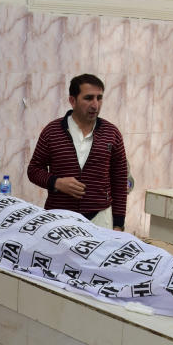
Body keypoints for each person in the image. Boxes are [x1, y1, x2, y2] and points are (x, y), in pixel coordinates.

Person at [27, 74, 128, 231]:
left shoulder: (112, 133)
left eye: (99, 98)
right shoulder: (52, 132)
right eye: (88, 98)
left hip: (101, 219)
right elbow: (33, 170)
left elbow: (120, 180)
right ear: (72, 101)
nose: (95, 105)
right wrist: (57, 182)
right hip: (59, 217)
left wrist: (119, 224)